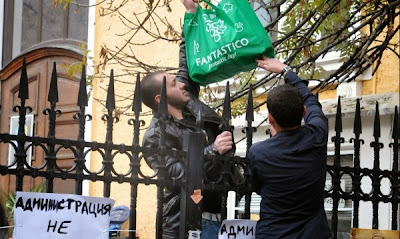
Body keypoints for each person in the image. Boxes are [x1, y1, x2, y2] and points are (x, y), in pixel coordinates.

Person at [141, 1, 234, 238]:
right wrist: (214, 149)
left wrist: (191, 15)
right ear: (161, 98)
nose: (181, 83)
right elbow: (180, 176)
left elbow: (187, 60)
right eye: (173, 83)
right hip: (183, 224)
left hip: (216, 217)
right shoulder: (155, 136)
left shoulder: (189, 102)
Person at [248, 57, 331, 238]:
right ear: (303, 112)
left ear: (270, 118)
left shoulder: (258, 153)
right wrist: (286, 71)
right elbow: (311, 101)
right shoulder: (317, 135)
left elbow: (256, 187)